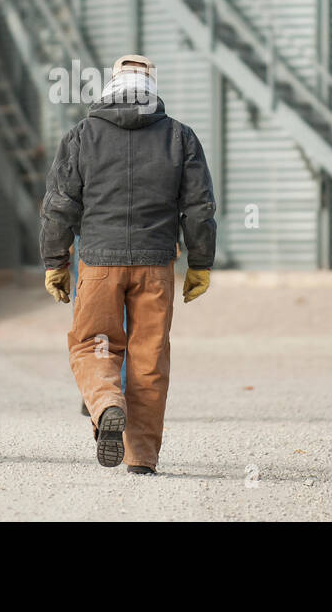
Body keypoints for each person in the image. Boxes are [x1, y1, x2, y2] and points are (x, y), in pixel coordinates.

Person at [41, 55, 217, 474]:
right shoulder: (180, 137)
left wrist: (54, 260)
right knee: (148, 357)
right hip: (156, 265)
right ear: (152, 88)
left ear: (111, 86)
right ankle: (141, 457)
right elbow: (199, 208)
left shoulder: (82, 136)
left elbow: (59, 206)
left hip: (99, 263)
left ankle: (105, 405)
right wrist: (201, 263)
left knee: (93, 344)